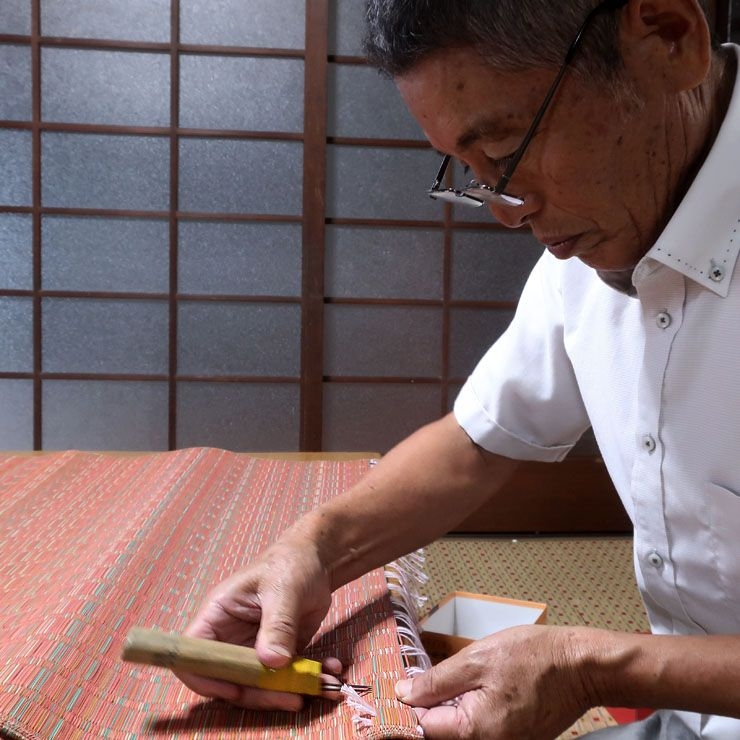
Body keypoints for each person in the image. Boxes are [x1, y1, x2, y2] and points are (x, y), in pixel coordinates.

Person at [178, 0, 740, 737]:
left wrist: (594, 666)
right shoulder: (597, 239)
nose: (508, 210)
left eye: (509, 147)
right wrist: (312, 548)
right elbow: (478, 441)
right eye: (471, 170)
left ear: (668, 37)